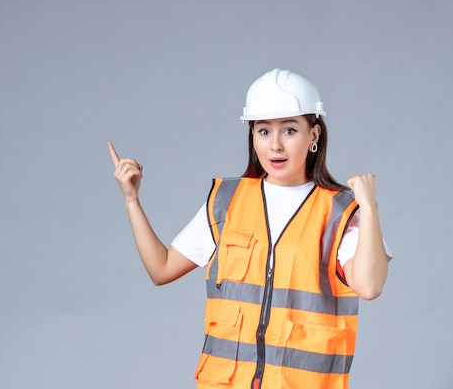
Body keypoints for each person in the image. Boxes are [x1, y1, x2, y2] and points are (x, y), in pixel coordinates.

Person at [107, 68, 392, 389]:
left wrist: (368, 207)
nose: (275, 146)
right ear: (252, 134)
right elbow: (161, 269)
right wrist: (132, 201)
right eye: (263, 131)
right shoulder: (226, 201)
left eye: (289, 130)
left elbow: (369, 287)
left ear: (313, 135)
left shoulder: (341, 211)